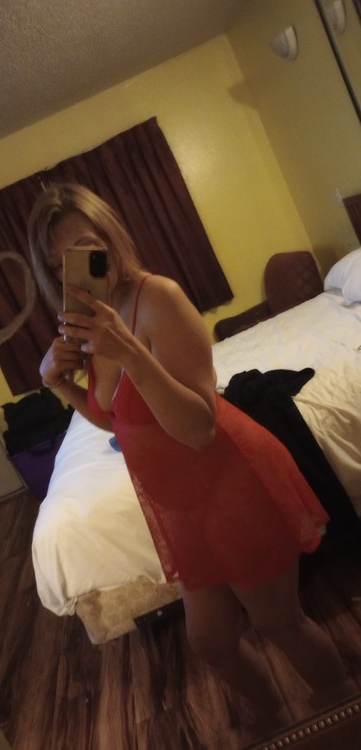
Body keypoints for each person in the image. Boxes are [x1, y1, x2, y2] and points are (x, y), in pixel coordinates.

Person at [28, 183, 356, 735]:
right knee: (211, 643)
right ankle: (275, 721)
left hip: (231, 485)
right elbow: (118, 421)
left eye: (85, 248)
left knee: (280, 623)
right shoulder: (94, 322)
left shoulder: (158, 298)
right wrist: (60, 384)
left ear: (110, 236)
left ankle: (343, 709)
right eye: (59, 264)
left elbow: (199, 428)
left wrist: (128, 351)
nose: (76, 269)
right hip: (182, 509)